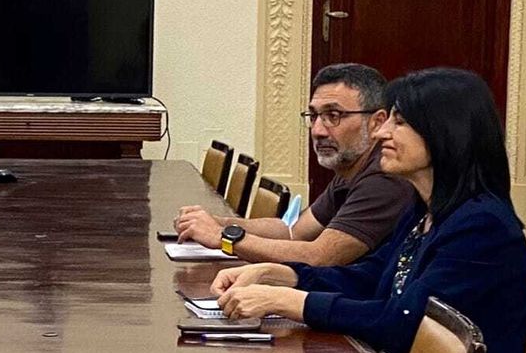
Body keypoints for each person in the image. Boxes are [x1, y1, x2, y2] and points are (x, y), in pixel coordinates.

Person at [210, 68, 526, 353]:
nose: (382, 134)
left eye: (400, 121)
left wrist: (290, 302)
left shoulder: (481, 228)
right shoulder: (427, 210)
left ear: (444, 133)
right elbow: (370, 277)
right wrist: (284, 275)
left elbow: (399, 323)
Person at [174, 64, 415, 265]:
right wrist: (220, 223)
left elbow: (321, 256)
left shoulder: (385, 177)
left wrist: (223, 237)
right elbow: (293, 232)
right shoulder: (351, 166)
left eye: (334, 116)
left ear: (377, 122)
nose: (318, 130)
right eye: (314, 116)